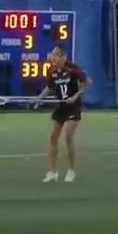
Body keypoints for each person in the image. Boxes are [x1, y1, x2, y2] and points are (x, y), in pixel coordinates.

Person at [34, 45, 87, 183]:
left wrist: (74, 97)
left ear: (63, 57)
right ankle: (52, 172)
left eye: (56, 55)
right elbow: (49, 88)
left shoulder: (72, 69)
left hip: (73, 107)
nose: (53, 57)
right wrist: (38, 98)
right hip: (61, 107)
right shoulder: (52, 72)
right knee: (53, 138)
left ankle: (71, 170)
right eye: (52, 54)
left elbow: (85, 84)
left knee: (68, 136)